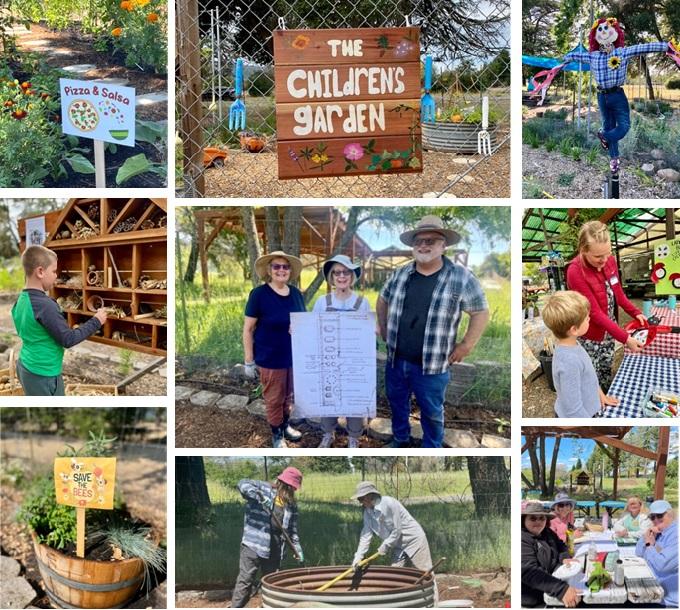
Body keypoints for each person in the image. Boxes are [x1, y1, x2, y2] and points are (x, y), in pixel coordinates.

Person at [377, 216, 490, 448]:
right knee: (397, 403)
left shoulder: (461, 277)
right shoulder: (401, 274)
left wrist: (466, 345)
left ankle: (432, 447)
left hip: (433, 365)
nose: (423, 245)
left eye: (431, 240)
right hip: (396, 360)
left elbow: (480, 311)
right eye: (418, 241)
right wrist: (385, 328)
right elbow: (382, 299)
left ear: (443, 245)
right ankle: (400, 438)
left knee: (431, 411)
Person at [563, 18, 678, 174]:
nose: (603, 31)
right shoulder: (593, 56)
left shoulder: (622, 52)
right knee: (609, 125)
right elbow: (575, 56)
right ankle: (614, 159)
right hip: (602, 96)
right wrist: (565, 59)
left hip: (617, 95)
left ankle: (603, 135)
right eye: (600, 29)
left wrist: (666, 46)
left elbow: (643, 47)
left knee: (624, 126)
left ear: (615, 32)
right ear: (594, 36)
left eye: (607, 28)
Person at [12, 245, 107, 396]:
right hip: (43, 374)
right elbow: (68, 339)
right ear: (40, 272)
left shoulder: (20, 300)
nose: (56, 276)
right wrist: (97, 321)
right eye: (54, 271)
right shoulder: (45, 305)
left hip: (25, 366)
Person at [566, 221, 646, 390]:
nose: (604, 260)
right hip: (590, 335)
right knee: (590, 376)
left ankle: (606, 395)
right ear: (583, 250)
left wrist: (635, 312)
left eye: (607, 253)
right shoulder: (575, 271)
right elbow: (594, 313)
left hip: (609, 329)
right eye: (597, 256)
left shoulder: (609, 261)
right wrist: (625, 338)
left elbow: (619, 293)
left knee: (606, 367)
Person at [243, 251, 306, 448]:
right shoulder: (259, 295)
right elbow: (248, 329)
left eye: (285, 267)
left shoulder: (296, 294)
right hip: (270, 358)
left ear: (290, 271)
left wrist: (299, 328)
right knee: (274, 398)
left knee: (288, 396)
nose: (281, 270)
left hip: (293, 357)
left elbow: (303, 322)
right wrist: (249, 360)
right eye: (276, 266)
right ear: (269, 270)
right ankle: (277, 434)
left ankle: (285, 425)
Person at [312, 254, 371, 449]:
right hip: (328, 360)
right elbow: (312, 329)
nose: (341, 276)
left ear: (352, 276)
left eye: (346, 272)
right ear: (332, 277)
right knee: (329, 397)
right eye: (337, 272)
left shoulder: (362, 303)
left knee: (354, 399)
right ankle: (328, 433)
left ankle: (353, 437)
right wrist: (297, 331)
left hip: (353, 362)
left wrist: (373, 330)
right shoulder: (322, 302)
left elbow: (367, 335)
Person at [232, 467, 305, 608]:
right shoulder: (263, 489)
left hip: (276, 549)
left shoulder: (291, 505)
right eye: (290, 487)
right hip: (253, 545)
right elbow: (242, 483)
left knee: (272, 584)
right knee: (245, 581)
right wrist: (257, 496)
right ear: (283, 483)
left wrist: (297, 548)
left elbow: (292, 531)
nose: (292, 491)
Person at [350, 481, 436, 599]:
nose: (360, 502)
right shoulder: (367, 512)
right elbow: (365, 536)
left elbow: (397, 530)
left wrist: (385, 545)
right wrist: (358, 557)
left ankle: (433, 603)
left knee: (426, 573)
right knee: (394, 575)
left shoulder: (390, 503)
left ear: (369, 496)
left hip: (414, 540)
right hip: (397, 545)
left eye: (361, 499)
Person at [541, 290, 619, 418]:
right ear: (574, 329)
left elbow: (590, 378)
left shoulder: (573, 344)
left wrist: (601, 396)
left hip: (590, 408)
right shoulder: (569, 362)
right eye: (586, 318)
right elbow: (573, 410)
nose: (589, 318)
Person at [521, 501, 581, 608]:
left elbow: (561, 545)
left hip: (556, 580)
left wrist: (564, 558)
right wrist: (562, 590)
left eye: (542, 518)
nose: (538, 521)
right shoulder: (522, 540)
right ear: (523, 520)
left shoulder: (547, 532)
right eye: (533, 518)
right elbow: (529, 572)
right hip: (538, 596)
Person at [635, 499, 678, 607]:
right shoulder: (659, 532)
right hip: (651, 589)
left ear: (670, 514)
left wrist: (649, 546)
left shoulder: (675, 534)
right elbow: (639, 552)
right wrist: (647, 535)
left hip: (666, 599)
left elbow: (662, 565)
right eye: (652, 517)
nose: (656, 520)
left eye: (659, 515)